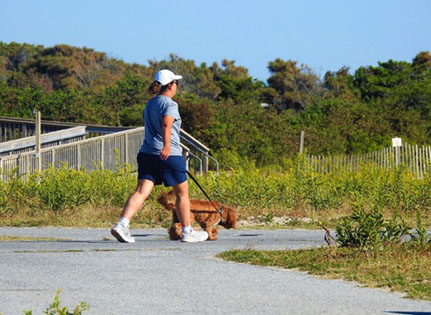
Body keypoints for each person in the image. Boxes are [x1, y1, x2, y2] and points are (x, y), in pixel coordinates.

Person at [111, 69, 208, 243]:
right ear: (170, 85)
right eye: (176, 83)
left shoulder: (150, 103)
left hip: (147, 153)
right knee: (182, 194)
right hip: (168, 154)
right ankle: (187, 231)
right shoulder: (170, 104)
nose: (177, 86)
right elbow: (166, 124)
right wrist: (167, 146)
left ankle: (122, 224)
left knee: (141, 191)